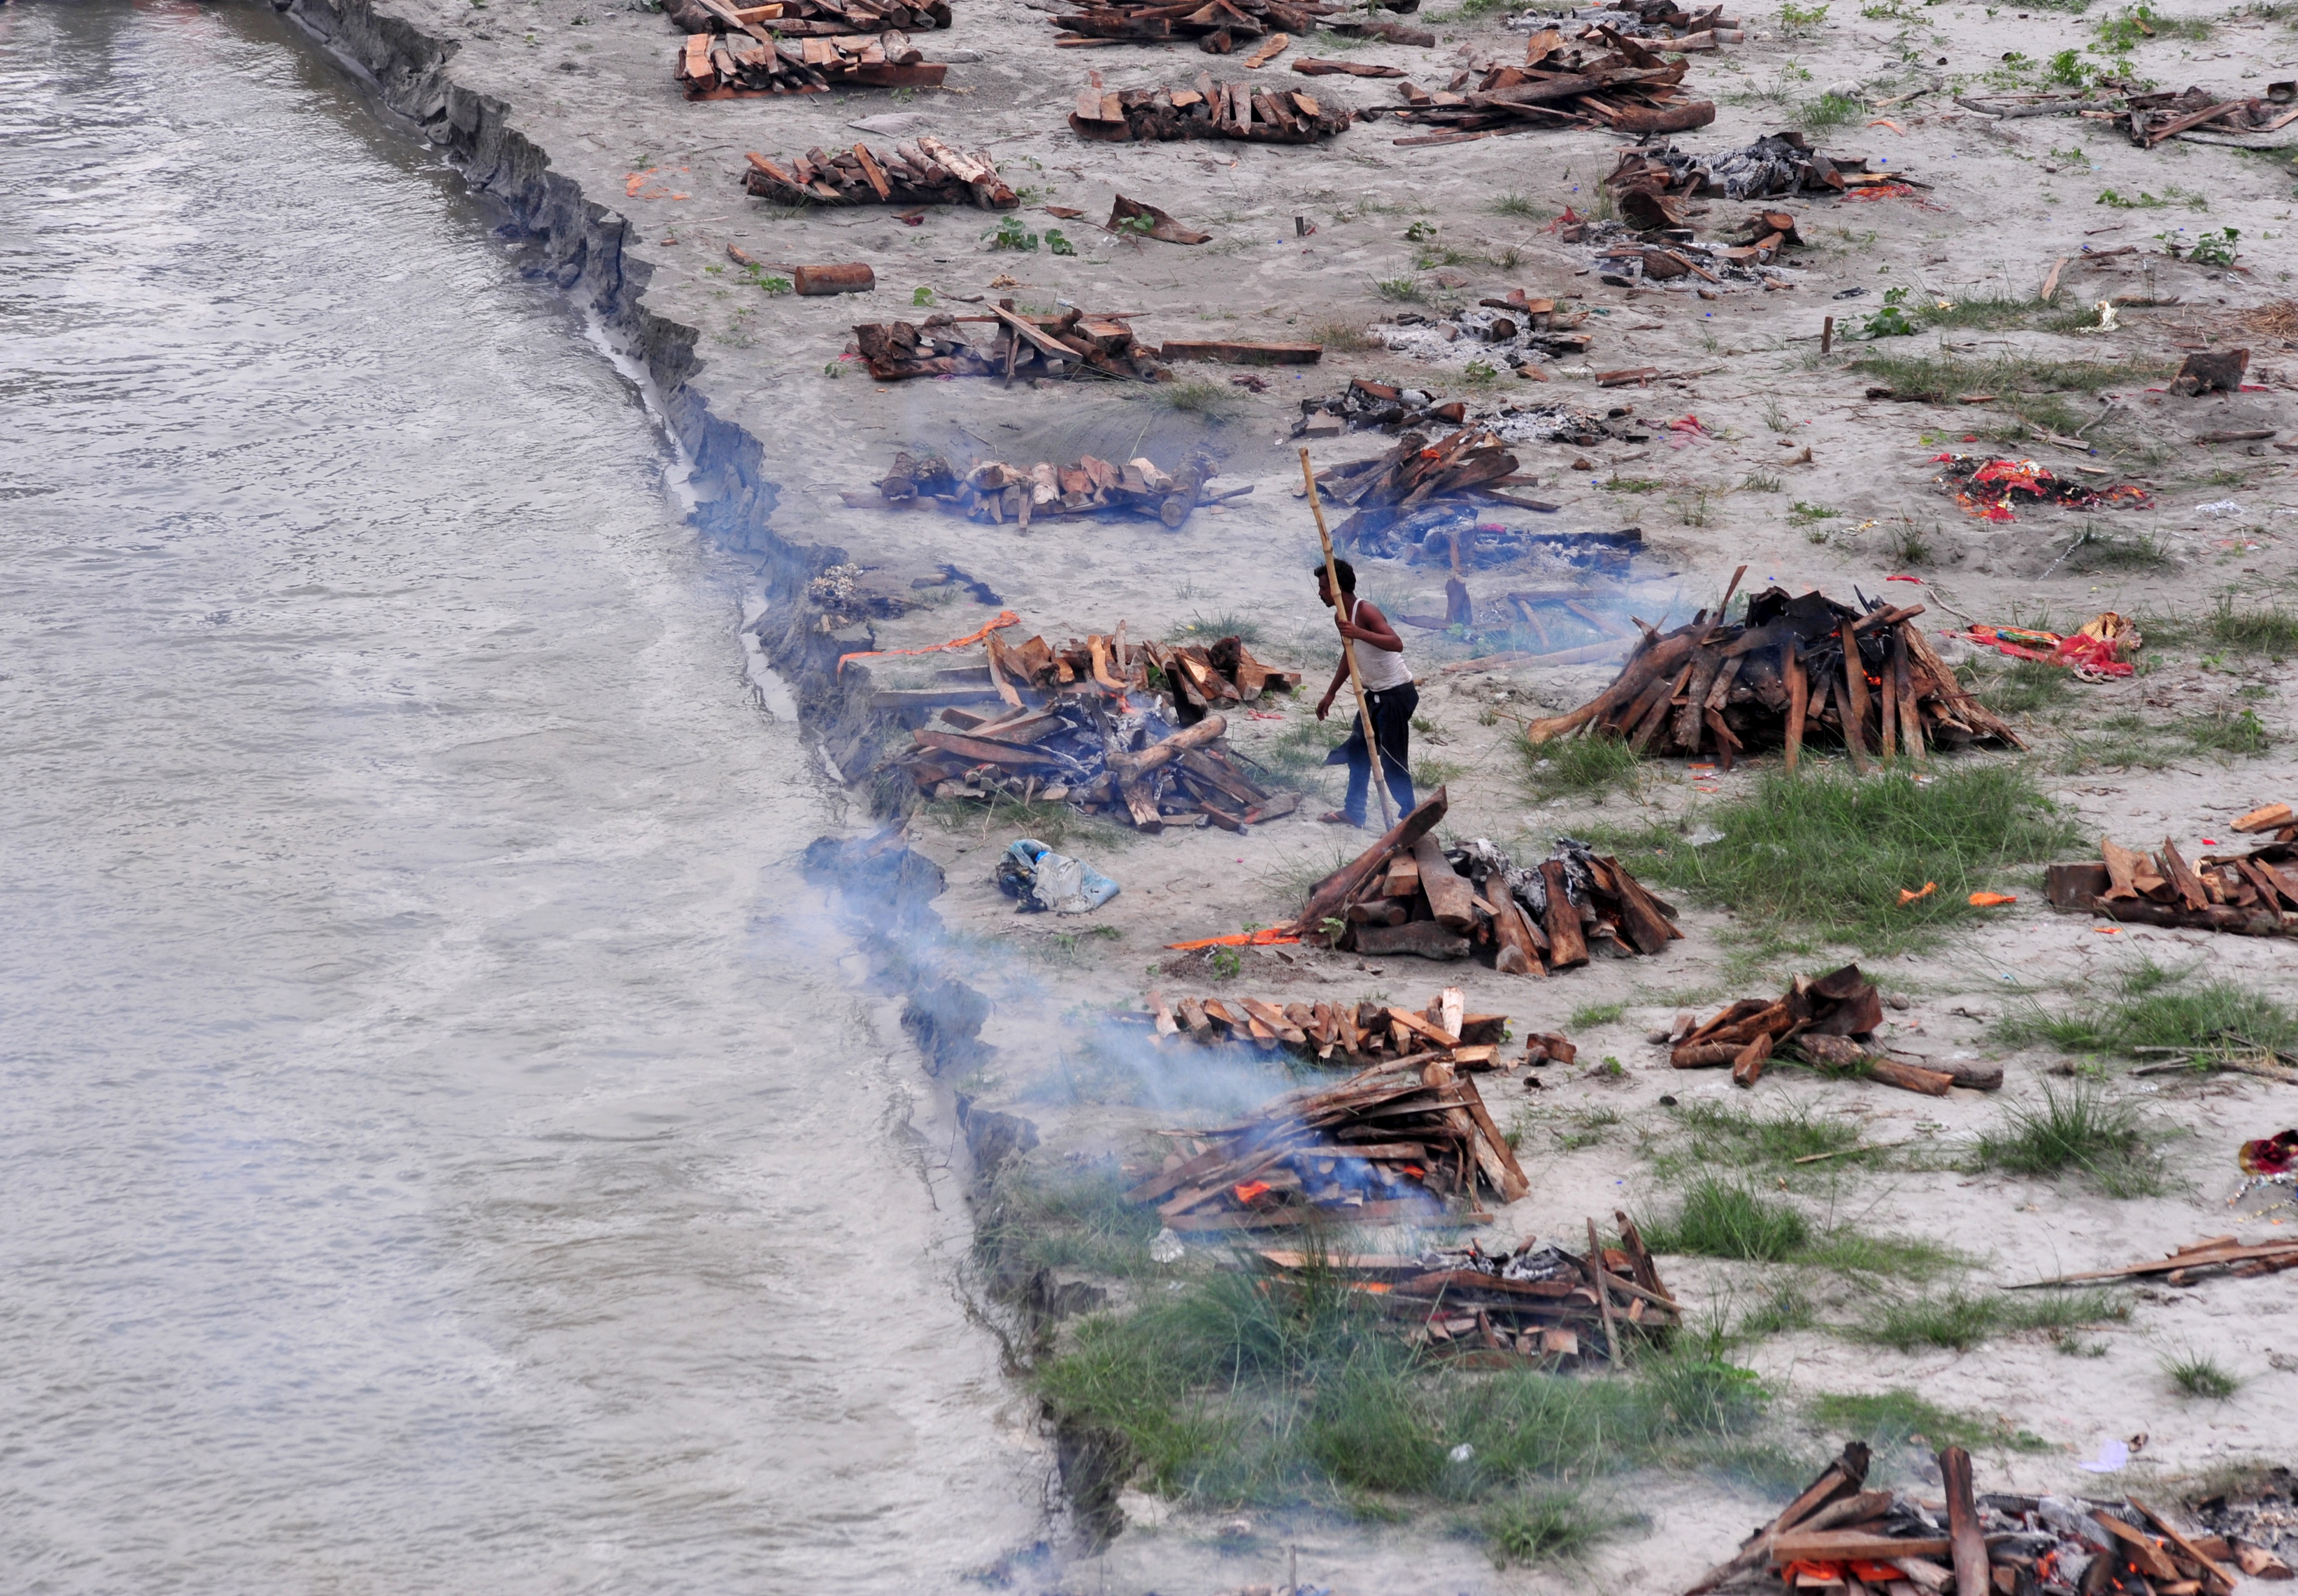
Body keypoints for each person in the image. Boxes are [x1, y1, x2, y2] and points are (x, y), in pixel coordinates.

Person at [1311, 559, 1416, 827]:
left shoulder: (1366, 611)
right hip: (1375, 695)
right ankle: (1355, 811)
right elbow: (1351, 655)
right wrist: (1331, 693)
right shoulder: (1341, 618)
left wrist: (1359, 631)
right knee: (1359, 752)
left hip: (1396, 695)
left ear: (1337, 588)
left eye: (1324, 588)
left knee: (1392, 761)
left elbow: (1396, 643)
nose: (1321, 593)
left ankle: (1410, 822)